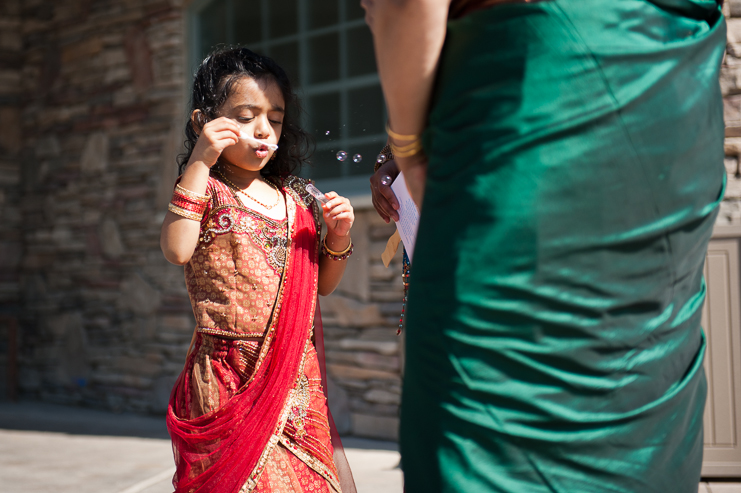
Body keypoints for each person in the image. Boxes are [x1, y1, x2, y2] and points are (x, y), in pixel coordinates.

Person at [364, 0, 726, 491]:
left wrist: (410, 147)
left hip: (534, 94)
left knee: (498, 406)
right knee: (637, 368)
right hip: (671, 103)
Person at [160, 47, 356, 493]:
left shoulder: (297, 197)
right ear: (201, 123)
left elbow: (320, 287)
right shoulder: (205, 189)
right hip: (228, 376)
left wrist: (339, 237)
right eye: (245, 117)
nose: (264, 131)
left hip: (295, 379)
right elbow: (176, 249)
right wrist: (198, 162)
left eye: (276, 118)